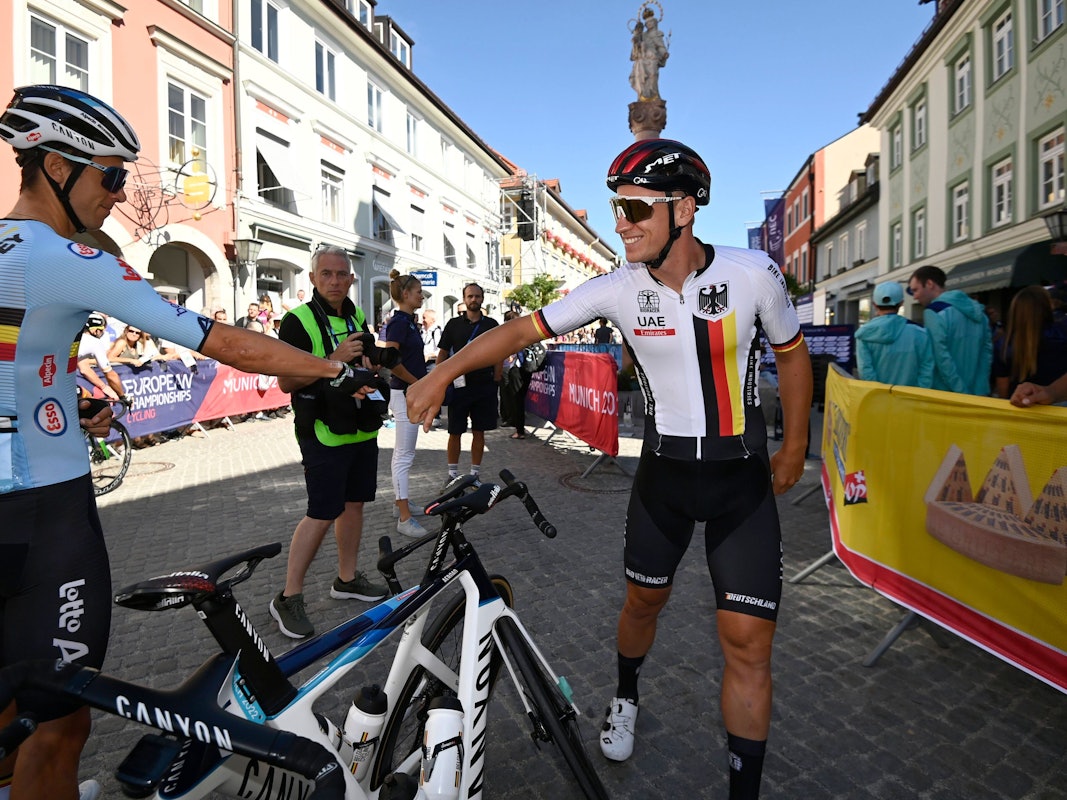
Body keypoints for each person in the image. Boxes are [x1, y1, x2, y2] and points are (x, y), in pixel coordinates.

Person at [0, 85, 378, 800]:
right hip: (44, 516)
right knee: (58, 723)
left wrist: (69, 404)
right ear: (55, 167)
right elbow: (221, 340)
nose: (116, 195)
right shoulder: (68, 257)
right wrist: (335, 369)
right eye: (109, 176)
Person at [408, 138, 813, 800]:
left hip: (740, 482)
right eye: (616, 208)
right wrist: (444, 370)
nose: (618, 222)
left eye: (633, 208)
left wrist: (794, 445)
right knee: (642, 602)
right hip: (663, 480)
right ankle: (624, 692)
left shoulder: (751, 274)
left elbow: (792, 356)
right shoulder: (618, 288)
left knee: (746, 644)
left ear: (682, 210)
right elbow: (519, 332)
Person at [269, 245, 390, 640]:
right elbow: (286, 382)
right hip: (321, 430)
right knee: (322, 511)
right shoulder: (298, 321)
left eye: (342, 274)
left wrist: (371, 364)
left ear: (351, 279)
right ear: (313, 278)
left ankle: (347, 579)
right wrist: (335, 359)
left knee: (353, 505)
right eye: (327, 274)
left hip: (359, 427)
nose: (335, 281)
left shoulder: (355, 313)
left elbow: (361, 365)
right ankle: (288, 596)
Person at [435, 283, 501, 484]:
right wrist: (439, 378)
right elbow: (443, 353)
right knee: (455, 431)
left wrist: (496, 379)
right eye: (470, 296)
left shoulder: (491, 325)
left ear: (482, 299)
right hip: (459, 385)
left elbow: (500, 352)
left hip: (484, 386)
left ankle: (474, 474)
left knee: (479, 431)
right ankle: (452, 474)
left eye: (477, 296)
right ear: (464, 299)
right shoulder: (453, 325)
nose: (474, 300)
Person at [381, 269, 429, 537]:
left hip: (409, 391)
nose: (422, 296)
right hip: (403, 393)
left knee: (405, 454)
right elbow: (391, 360)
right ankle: (403, 517)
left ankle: (403, 503)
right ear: (406, 294)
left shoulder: (408, 321)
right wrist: (416, 382)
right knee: (403, 455)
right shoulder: (399, 322)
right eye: (419, 292)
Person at [906, 265, 992, 395]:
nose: (915, 297)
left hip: (947, 393)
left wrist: (961, 391)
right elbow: (986, 355)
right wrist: (979, 389)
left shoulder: (934, 312)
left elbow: (941, 358)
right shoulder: (979, 313)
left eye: (915, 290)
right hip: (978, 393)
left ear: (929, 284)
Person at [993, 286, 1067, 402]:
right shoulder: (1061, 332)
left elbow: (1003, 387)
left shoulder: (1003, 344)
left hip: (1021, 405)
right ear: (1046, 307)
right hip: (1058, 407)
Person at [853, 282, 934, 388]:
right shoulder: (920, 332)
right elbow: (927, 369)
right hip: (911, 399)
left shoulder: (864, 334)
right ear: (901, 303)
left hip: (879, 399)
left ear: (874, 305)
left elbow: (865, 372)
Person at [499, 310, 533, 439]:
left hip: (516, 368)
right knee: (517, 398)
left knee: (516, 399)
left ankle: (519, 430)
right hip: (525, 368)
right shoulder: (526, 331)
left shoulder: (512, 333)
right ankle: (517, 426)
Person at [76, 313, 125, 400]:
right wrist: (122, 396)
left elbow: (84, 369)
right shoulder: (95, 342)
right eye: (102, 330)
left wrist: (104, 387)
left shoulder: (75, 335)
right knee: (102, 405)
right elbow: (110, 375)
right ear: (96, 330)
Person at [629, 7, 669, 101]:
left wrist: (664, 53)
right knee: (641, 76)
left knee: (653, 76)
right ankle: (642, 96)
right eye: (647, 23)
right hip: (643, 58)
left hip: (653, 58)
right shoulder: (643, 35)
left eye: (651, 22)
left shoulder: (657, 34)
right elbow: (636, 47)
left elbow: (660, 46)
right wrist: (636, 37)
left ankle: (654, 96)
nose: (649, 24)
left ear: (655, 23)